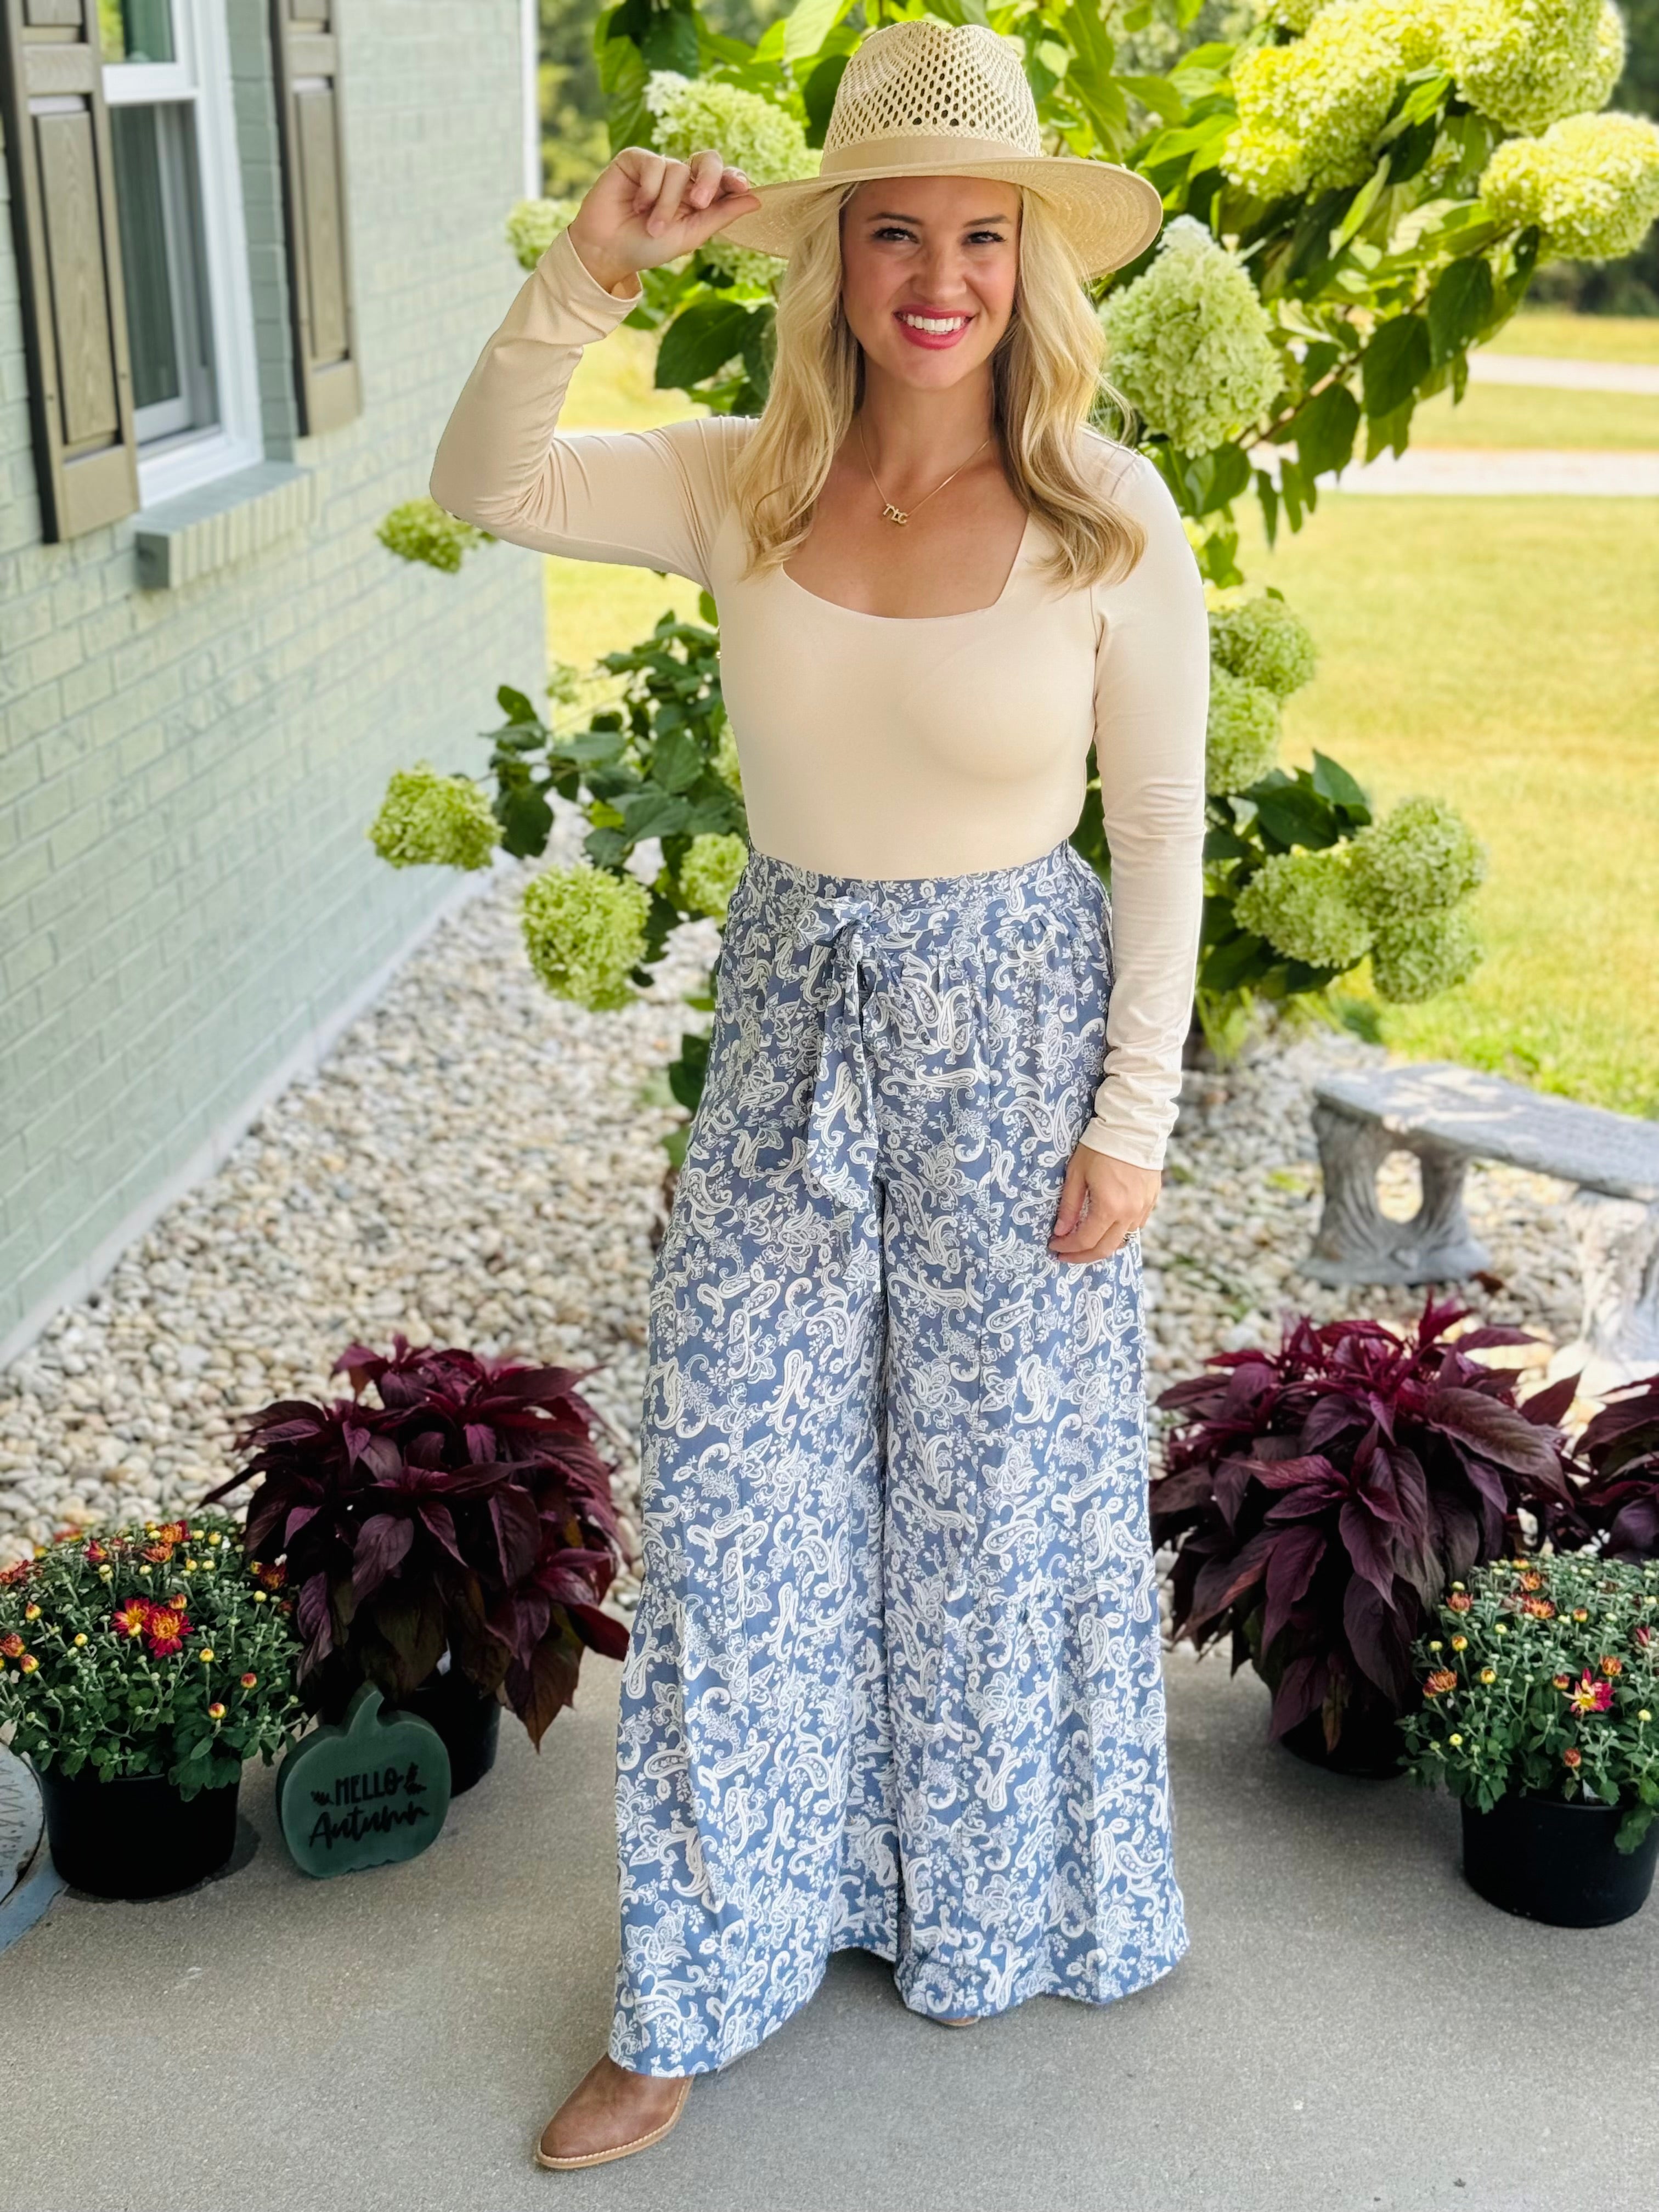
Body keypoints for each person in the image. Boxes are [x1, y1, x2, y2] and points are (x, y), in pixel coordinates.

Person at [428, 18, 1210, 2173]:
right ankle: (691, 1982)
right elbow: (479, 486)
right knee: (738, 1504)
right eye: (897, 233)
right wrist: (580, 277)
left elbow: (1159, 828)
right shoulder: (739, 480)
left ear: (1027, 264)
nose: (938, 273)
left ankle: (960, 1900)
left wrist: (1129, 1118)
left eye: (980, 233)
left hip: (1022, 1039)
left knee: (990, 1509)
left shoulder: (1103, 509)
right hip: (793, 1042)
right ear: (840, 257)